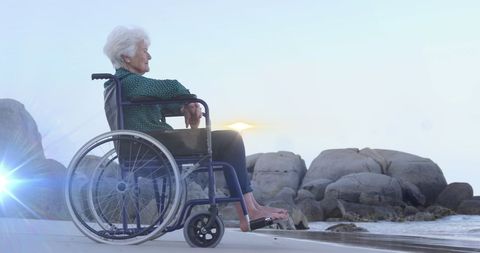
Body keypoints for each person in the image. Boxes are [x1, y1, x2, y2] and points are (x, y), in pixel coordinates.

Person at [102, 26, 288, 232]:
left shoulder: (129, 86)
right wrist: (190, 98)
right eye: (144, 50)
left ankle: (251, 208)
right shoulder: (129, 82)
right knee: (231, 140)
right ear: (127, 56)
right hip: (153, 146)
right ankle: (248, 210)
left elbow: (161, 104)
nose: (149, 56)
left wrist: (184, 106)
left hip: (150, 145)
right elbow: (171, 87)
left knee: (228, 144)